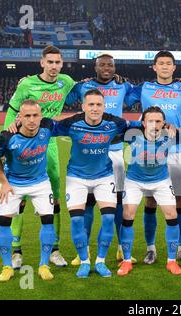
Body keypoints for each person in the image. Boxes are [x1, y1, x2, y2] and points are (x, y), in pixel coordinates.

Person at [3, 45, 75, 268]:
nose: (54, 66)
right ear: (42, 63)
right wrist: (8, 144)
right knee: (18, 195)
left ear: (62, 64)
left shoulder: (66, 82)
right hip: (23, 142)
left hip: (49, 143)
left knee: (54, 195)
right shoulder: (26, 84)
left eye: (58, 62)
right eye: (50, 62)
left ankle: (54, 249)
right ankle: (16, 250)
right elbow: (12, 111)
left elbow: (87, 89)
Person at [65, 53, 138, 265]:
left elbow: (140, 94)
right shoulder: (83, 87)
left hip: (115, 151)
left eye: (110, 65)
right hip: (88, 151)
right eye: (102, 64)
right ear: (95, 67)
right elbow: (66, 98)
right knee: (86, 204)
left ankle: (120, 248)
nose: (106, 67)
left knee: (117, 202)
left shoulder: (123, 86)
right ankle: (84, 251)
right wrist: (75, 83)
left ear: (115, 68)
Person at [125, 50, 181, 264]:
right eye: (160, 63)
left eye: (168, 63)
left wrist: (180, 123)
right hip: (150, 149)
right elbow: (125, 97)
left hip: (176, 150)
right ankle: (151, 248)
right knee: (151, 199)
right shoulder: (144, 87)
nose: (164, 66)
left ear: (174, 67)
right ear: (154, 67)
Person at [0, 100, 57, 282]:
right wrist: (3, 182)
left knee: (48, 220)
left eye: (35, 115)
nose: (32, 120)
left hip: (40, 182)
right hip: (13, 184)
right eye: (27, 115)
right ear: (19, 117)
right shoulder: (6, 137)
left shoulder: (48, 126)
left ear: (41, 116)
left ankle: (44, 265)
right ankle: (7, 267)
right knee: (4, 222)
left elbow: (71, 123)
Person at [117, 106, 181, 276]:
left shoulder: (170, 136)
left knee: (172, 214)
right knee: (128, 214)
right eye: (150, 121)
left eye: (158, 121)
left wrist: (176, 128)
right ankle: (126, 261)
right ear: (143, 123)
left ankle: (172, 261)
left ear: (164, 123)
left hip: (161, 181)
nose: (154, 124)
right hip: (134, 181)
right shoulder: (132, 135)